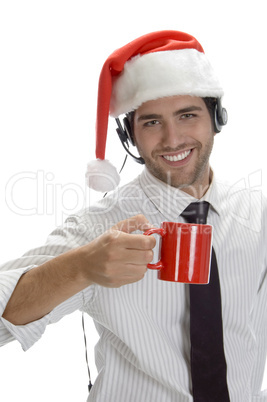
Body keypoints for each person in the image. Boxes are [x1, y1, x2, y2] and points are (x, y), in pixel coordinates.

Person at [0, 30, 266, 402]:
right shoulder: (97, 230)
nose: (173, 139)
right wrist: (81, 267)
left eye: (187, 115)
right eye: (152, 122)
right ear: (130, 136)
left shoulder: (257, 216)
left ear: (217, 118)